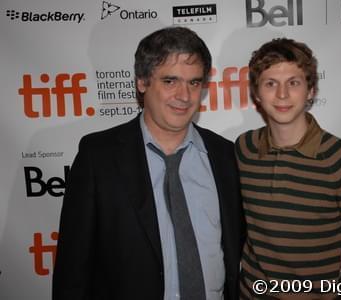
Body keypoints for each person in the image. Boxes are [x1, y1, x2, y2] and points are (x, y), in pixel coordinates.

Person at [53, 26, 244, 300]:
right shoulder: (99, 157)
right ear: (142, 82)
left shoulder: (225, 156)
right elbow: (72, 270)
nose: (184, 95)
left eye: (193, 82)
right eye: (170, 81)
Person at [236, 38, 341, 299]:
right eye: (271, 84)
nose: (282, 94)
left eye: (293, 83)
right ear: (256, 93)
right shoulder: (244, 149)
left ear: (311, 90)